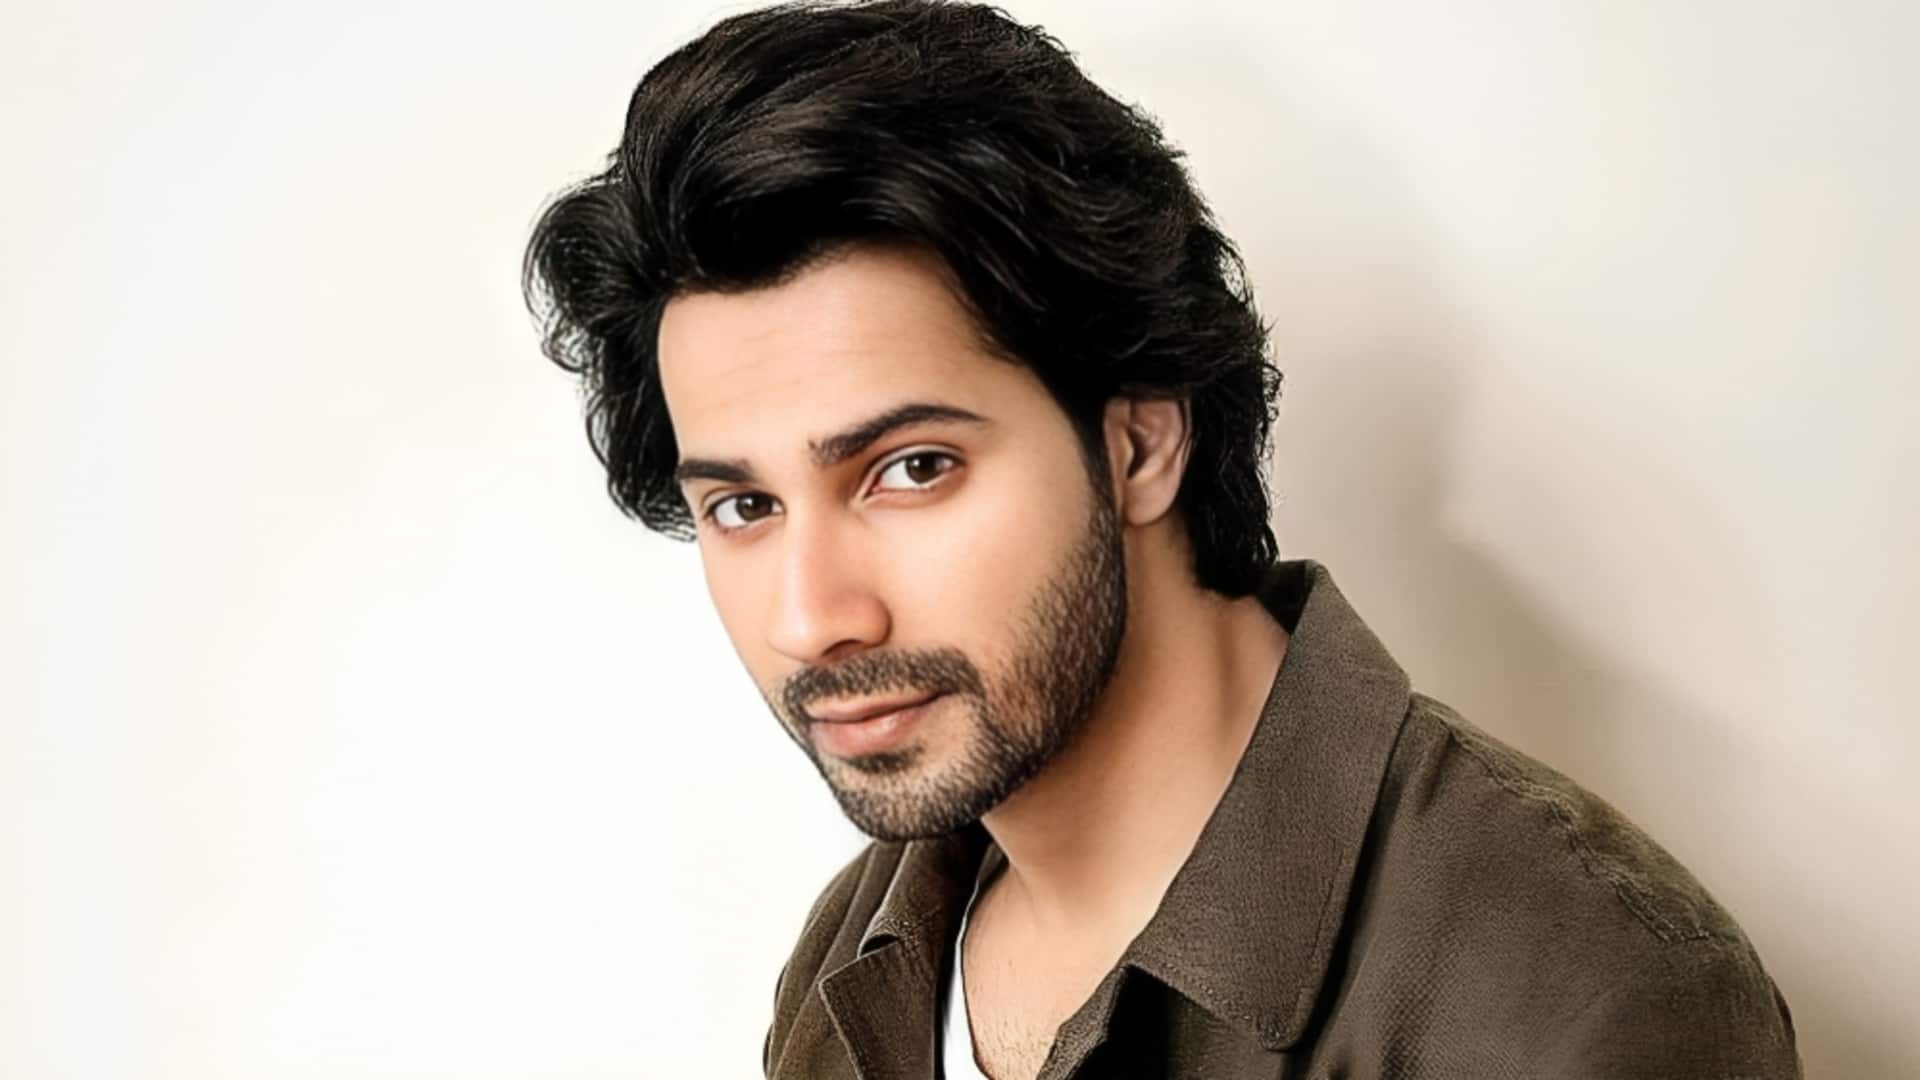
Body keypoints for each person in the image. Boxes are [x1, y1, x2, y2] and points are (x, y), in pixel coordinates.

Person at [521, 2, 1802, 1076]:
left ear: (1139, 444)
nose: (812, 618)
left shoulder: (1575, 994)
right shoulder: (862, 953)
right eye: (744, 507)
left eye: (911, 470)